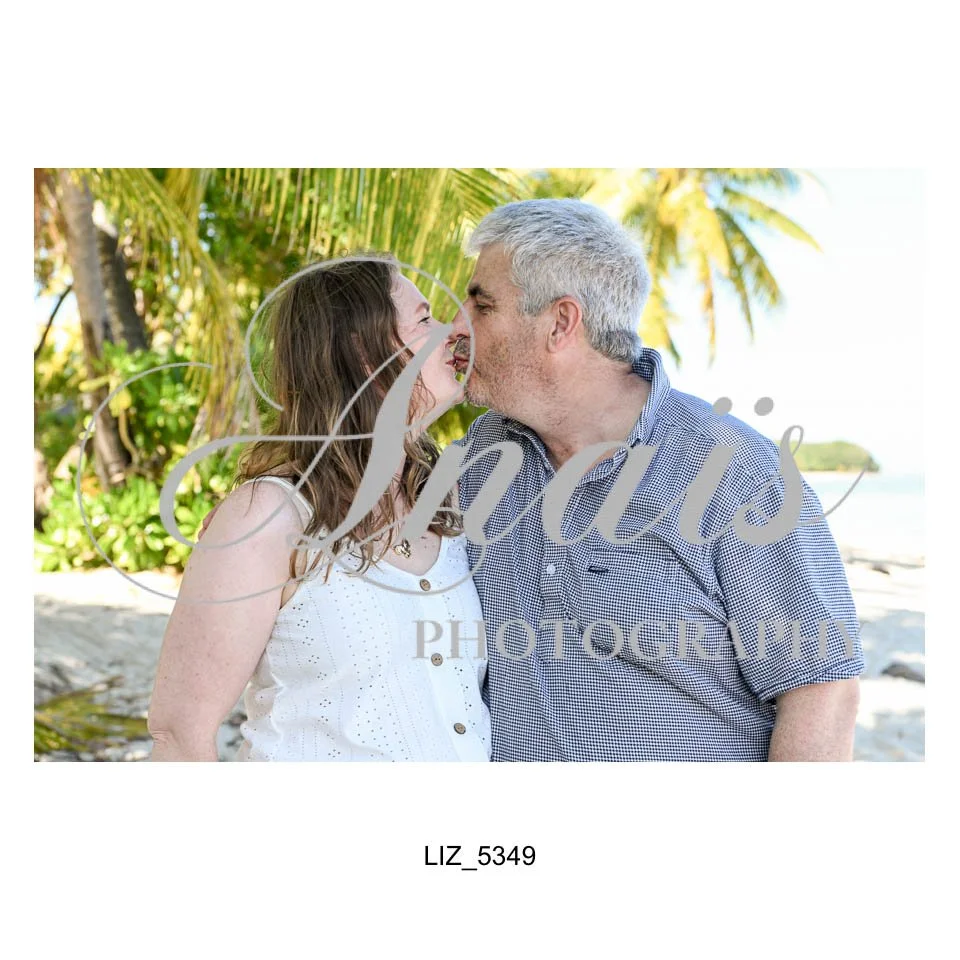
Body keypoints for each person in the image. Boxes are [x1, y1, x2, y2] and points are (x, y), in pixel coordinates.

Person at [446, 198, 864, 761]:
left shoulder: (737, 471)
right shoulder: (477, 462)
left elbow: (822, 690)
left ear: (561, 323)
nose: (457, 325)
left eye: (481, 305)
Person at [147, 256, 491, 761]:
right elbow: (179, 735)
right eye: (424, 320)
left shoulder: (448, 500)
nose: (452, 332)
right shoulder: (268, 517)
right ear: (363, 352)